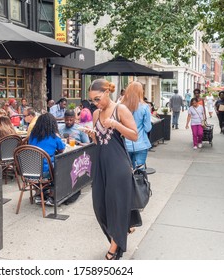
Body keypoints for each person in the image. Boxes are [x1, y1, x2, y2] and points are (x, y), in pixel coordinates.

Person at [85, 78, 141, 260]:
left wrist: (116, 124)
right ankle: (118, 234)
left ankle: (115, 245)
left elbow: (134, 135)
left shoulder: (120, 109)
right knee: (99, 206)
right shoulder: (95, 114)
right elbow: (99, 142)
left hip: (118, 166)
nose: (95, 103)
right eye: (92, 100)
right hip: (101, 165)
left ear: (107, 93)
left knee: (115, 206)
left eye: (97, 98)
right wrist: (92, 135)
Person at [29, 113, 65, 206]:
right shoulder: (54, 136)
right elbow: (62, 150)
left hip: (30, 170)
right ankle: (52, 196)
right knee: (61, 167)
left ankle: (38, 193)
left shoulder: (32, 135)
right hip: (45, 171)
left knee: (43, 164)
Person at [121, 81, 152, 169]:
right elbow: (147, 128)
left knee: (127, 171)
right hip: (141, 143)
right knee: (140, 171)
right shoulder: (145, 107)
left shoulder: (121, 106)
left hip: (124, 144)